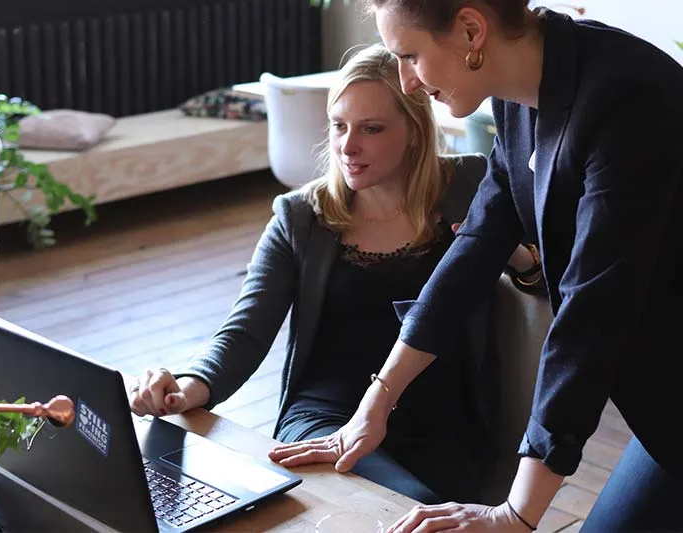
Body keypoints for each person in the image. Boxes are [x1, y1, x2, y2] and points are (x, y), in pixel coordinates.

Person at [269, 2, 683, 532]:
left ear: (471, 30)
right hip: (663, 407)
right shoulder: (519, 99)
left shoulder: (626, 97)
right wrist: (378, 401)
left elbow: (591, 314)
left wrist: (516, 514)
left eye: (411, 55)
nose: (408, 81)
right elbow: (475, 249)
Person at [129, 43, 541, 505]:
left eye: (371, 128)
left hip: (443, 424)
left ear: (414, 130)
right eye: (339, 126)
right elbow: (244, 331)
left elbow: (547, 283)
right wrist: (187, 388)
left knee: (413, 506)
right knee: (393, 506)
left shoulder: (470, 185)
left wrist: (516, 257)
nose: (348, 146)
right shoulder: (301, 217)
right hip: (326, 418)